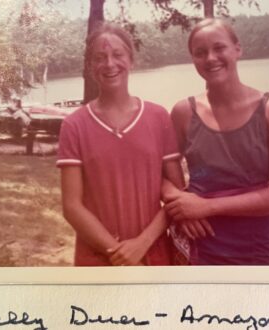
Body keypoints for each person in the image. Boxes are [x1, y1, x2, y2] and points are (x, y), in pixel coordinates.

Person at [164, 18, 269, 265]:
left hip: (257, 251)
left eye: (219, 48)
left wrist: (206, 207)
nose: (210, 58)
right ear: (193, 59)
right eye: (200, 52)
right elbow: (158, 174)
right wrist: (180, 205)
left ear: (238, 49)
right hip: (199, 248)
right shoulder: (184, 112)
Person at [57, 23, 182, 266]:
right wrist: (117, 252)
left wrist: (141, 244)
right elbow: (72, 206)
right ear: (91, 66)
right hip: (98, 259)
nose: (110, 64)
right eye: (100, 57)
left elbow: (177, 195)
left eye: (118, 55)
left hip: (154, 256)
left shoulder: (158, 117)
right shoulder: (74, 125)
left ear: (131, 60)